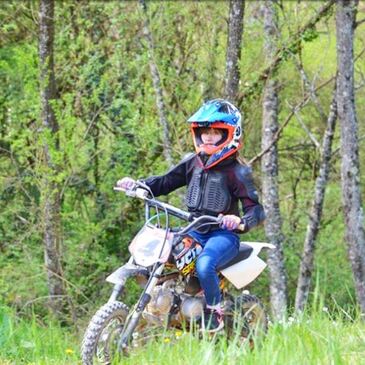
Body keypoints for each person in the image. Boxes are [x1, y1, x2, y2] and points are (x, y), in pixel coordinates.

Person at [117, 99, 265, 333]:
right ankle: (167, 302)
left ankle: (214, 311)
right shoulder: (192, 163)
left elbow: (255, 209)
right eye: (204, 131)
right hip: (194, 229)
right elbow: (166, 181)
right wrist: (139, 185)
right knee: (160, 252)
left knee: (205, 265)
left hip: (222, 235)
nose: (208, 137)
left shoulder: (237, 172)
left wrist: (240, 221)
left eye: (215, 132)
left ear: (230, 134)